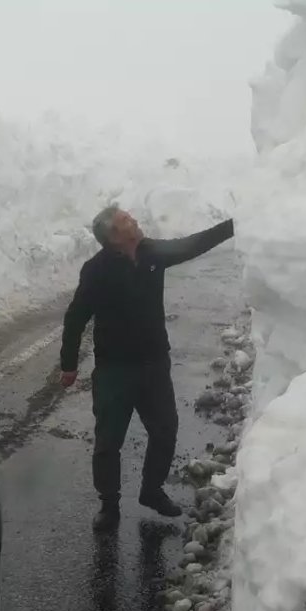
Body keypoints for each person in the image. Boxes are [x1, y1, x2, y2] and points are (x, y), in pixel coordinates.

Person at [60, 206, 235, 530]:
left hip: (154, 364)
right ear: (113, 236)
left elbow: (191, 244)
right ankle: (109, 505)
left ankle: (151, 490)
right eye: (127, 220)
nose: (135, 221)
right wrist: (68, 365)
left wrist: (234, 225)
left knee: (165, 429)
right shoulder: (96, 270)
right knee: (109, 441)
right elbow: (75, 317)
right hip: (114, 370)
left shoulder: (152, 252)